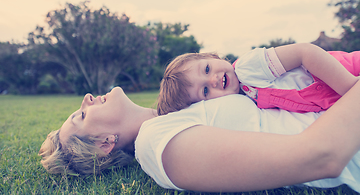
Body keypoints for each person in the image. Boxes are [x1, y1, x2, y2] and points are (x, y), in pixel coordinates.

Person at [39, 82, 360, 193]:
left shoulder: (176, 110)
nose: (87, 98)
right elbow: (322, 154)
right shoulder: (159, 146)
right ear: (105, 143)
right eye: (81, 115)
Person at [157, 43, 360, 115]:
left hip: (346, 70)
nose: (213, 80)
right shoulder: (243, 101)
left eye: (207, 69)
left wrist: (349, 88)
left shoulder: (247, 69)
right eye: (205, 91)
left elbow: (305, 52)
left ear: (212, 57)